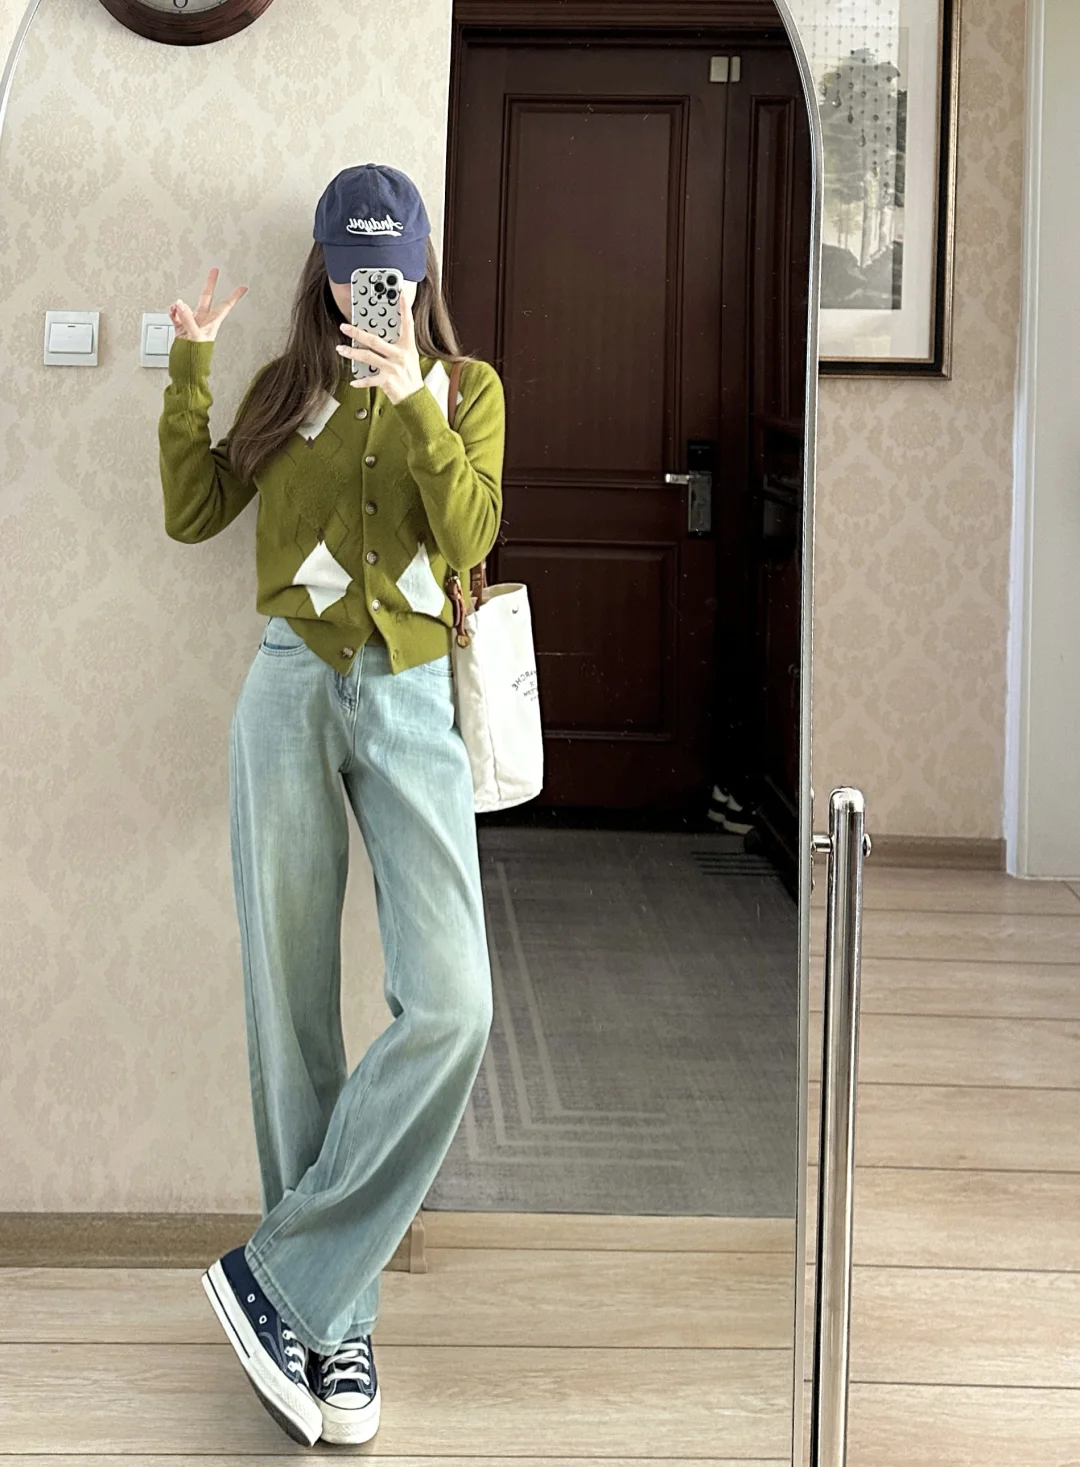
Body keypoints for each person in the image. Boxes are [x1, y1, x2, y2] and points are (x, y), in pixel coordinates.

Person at [157, 164, 505, 1449]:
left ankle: (282, 1276)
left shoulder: (467, 390)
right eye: (358, 273)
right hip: (288, 693)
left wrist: (412, 396)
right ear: (324, 269)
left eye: (394, 275)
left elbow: (471, 536)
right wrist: (190, 369)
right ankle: (332, 1324)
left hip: (411, 705)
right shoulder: (282, 388)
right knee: (291, 1008)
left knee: (454, 1004)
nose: (377, 294)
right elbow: (192, 513)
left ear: (420, 272)